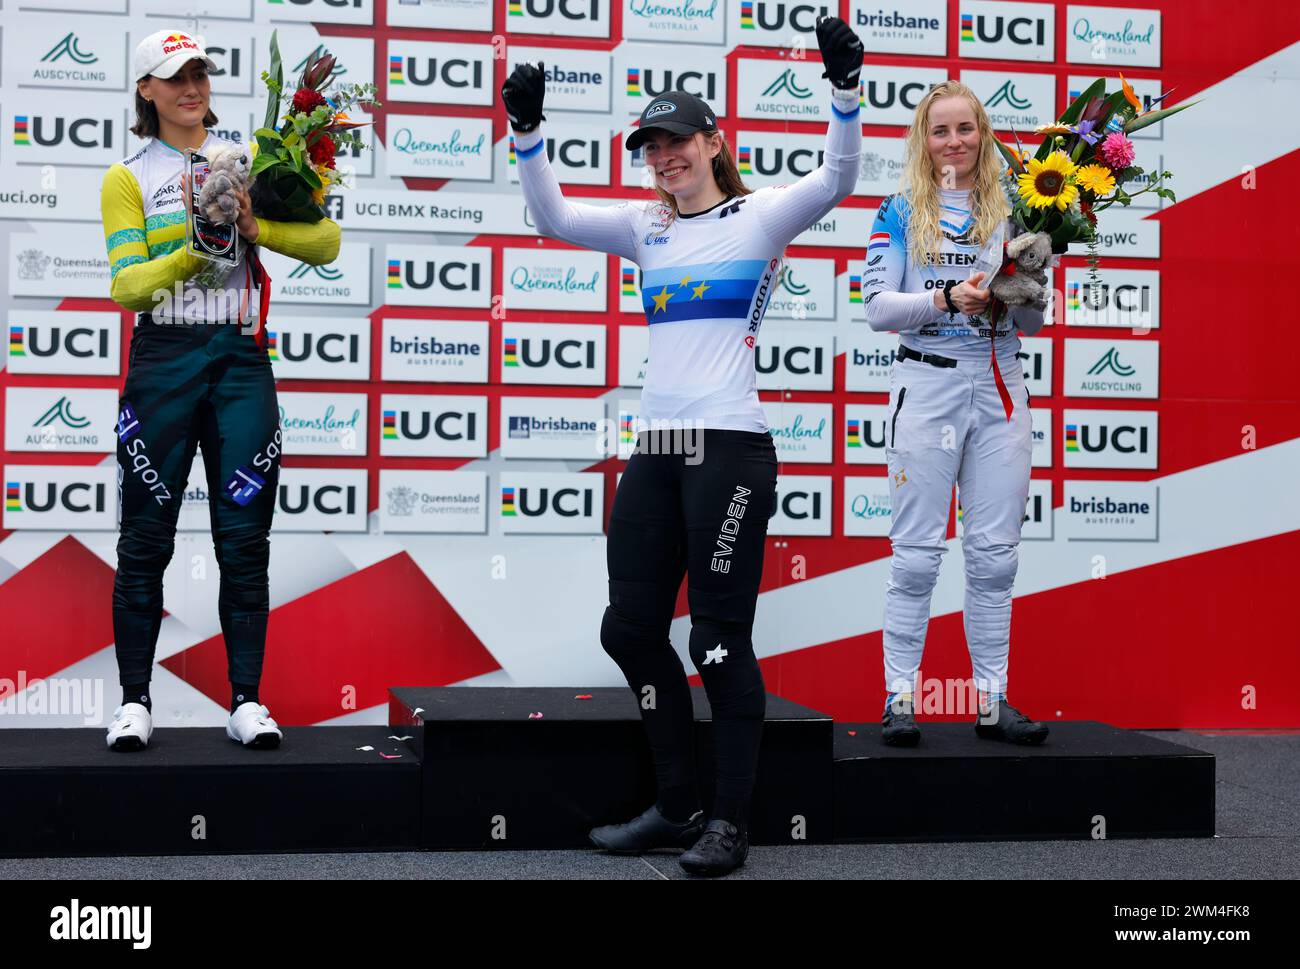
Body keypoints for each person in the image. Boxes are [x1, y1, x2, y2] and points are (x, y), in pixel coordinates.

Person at [503, 16, 863, 876]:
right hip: (656, 449)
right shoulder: (645, 228)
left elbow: (839, 176)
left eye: (676, 143)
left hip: (731, 447)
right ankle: (676, 805)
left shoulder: (760, 217)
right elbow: (551, 219)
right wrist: (528, 135)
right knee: (629, 627)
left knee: (717, 642)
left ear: (713, 142)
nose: (663, 158)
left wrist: (844, 90)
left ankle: (728, 822)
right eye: (651, 148)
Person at [101, 30, 341, 751]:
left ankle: (245, 701)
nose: (191, 88)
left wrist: (251, 221)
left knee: (245, 542)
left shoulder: (254, 156)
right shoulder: (127, 176)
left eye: (200, 73)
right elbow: (126, 286)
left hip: (241, 360)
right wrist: (194, 247)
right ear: (147, 89)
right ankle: (135, 700)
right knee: (145, 540)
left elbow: (325, 242)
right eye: (174, 77)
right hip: (163, 361)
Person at [863, 80, 1050, 748]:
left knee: (995, 557)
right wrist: (945, 298)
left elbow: (1030, 319)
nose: (954, 142)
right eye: (940, 131)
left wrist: (1028, 283)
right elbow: (879, 307)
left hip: (999, 385)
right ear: (924, 139)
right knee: (916, 558)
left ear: (984, 134)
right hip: (928, 384)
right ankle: (900, 697)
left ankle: (992, 700)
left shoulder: (1017, 206)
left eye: (965, 129)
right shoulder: (898, 207)